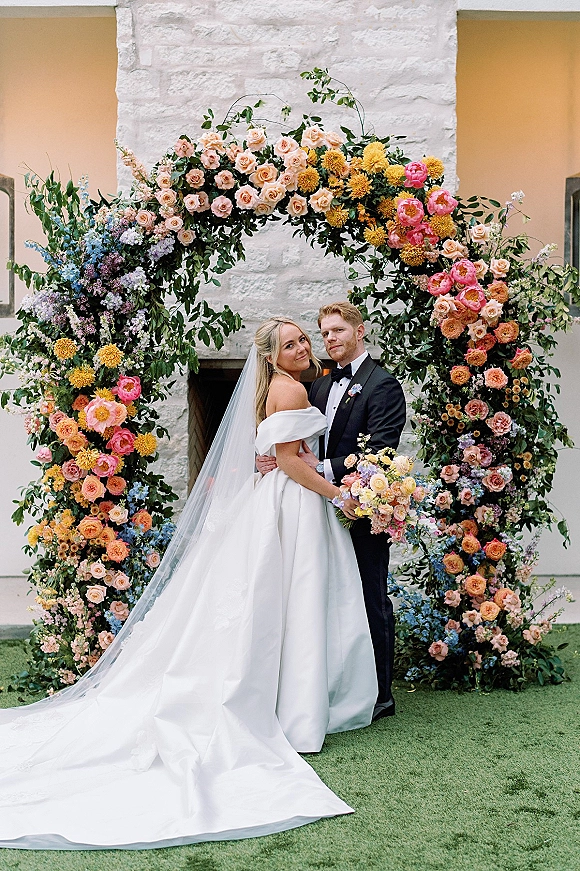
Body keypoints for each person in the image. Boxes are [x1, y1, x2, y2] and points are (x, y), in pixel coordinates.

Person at [0, 317, 377, 851]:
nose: (304, 348)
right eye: (291, 343)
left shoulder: (277, 387)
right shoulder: (291, 387)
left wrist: (297, 465)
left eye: (305, 340)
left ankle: (286, 690)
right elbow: (291, 464)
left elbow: (273, 453)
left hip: (273, 497)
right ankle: (295, 700)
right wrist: (339, 495)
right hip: (292, 502)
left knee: (274, 600)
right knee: (295, 596)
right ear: (271, 356)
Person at [257, 302, 406, 720]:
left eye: (338, 330)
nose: (328, 339)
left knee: (369, 596)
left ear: (360, 331)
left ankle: (380, 694)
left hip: (361, 504)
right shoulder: (316, 385)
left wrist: (318, 470)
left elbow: (380, 452)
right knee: (323, 598)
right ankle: (333, 685)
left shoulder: (383, 385)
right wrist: (268, 459)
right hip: (312, 507)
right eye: (323, 333)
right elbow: (290, 442)